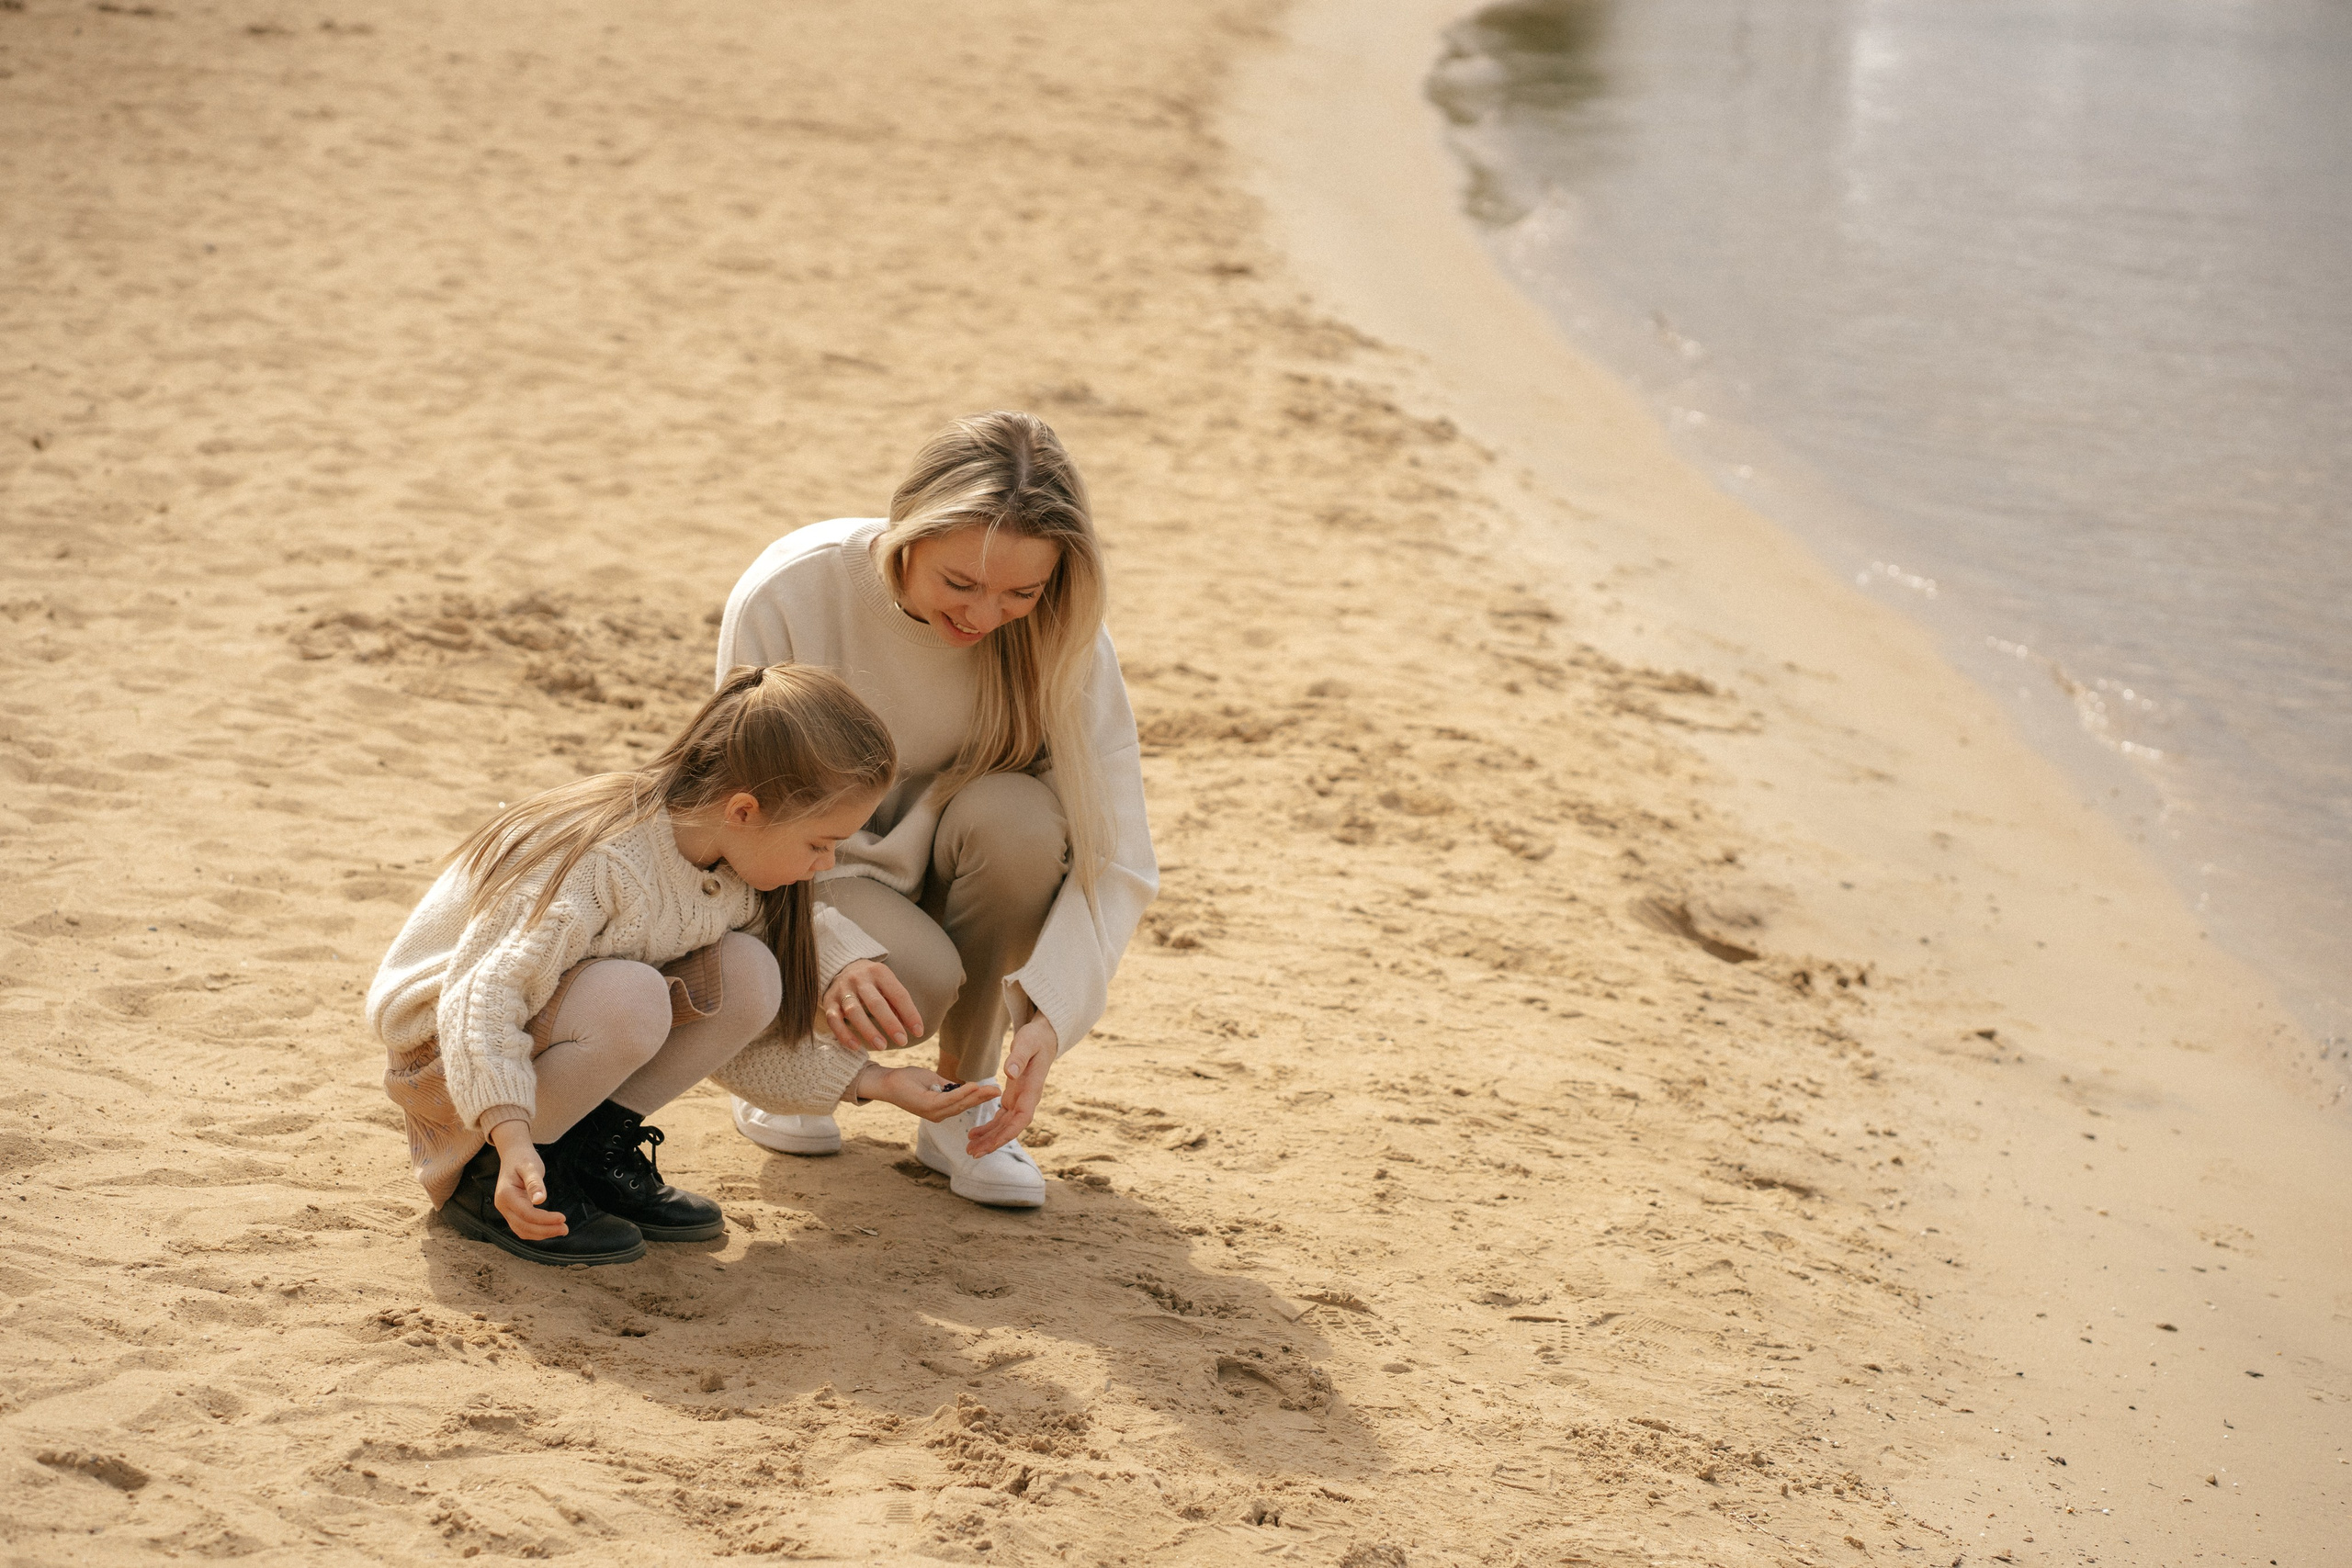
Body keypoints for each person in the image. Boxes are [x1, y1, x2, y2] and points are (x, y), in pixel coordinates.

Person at [366, 664, 1001, 1267]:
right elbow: (482, 996)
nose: (828, 864)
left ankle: (584, 1157)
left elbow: (730, 1037)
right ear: (744, 810)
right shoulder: (607, 860)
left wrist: (875, 1080)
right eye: (820, 842)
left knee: (751, 972)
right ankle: (494, 1184)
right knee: (634, 995)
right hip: (449, 1061)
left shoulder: (727, 873)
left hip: (521, 1041)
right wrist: (508, 1139)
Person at [713, 411, 1158, 1208]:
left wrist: (1053, 1019)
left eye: (1021, 592)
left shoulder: (1064, 635)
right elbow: (740, 811)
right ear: (906, 533)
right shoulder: (795, 588)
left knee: (1023, 820)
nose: (984, 617)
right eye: (961, 583)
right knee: (908, 982)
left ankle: (965, 1100)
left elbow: (1116, 845)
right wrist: (830, 948)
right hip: (817, 870)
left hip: (964, 864)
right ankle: (794, 1058)